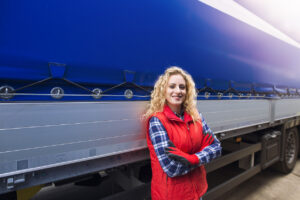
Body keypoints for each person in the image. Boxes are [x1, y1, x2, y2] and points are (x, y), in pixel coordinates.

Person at [145, 66, 222, 200]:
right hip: (172, 195)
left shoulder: (196, 116)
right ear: (163, 90)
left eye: (182, 87)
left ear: (187, 91)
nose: (178, 91)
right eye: (172, 86)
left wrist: (193, 159)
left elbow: (216, 148)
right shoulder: (157, 121)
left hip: (197, 191)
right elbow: (171, 168)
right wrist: (202, 155)